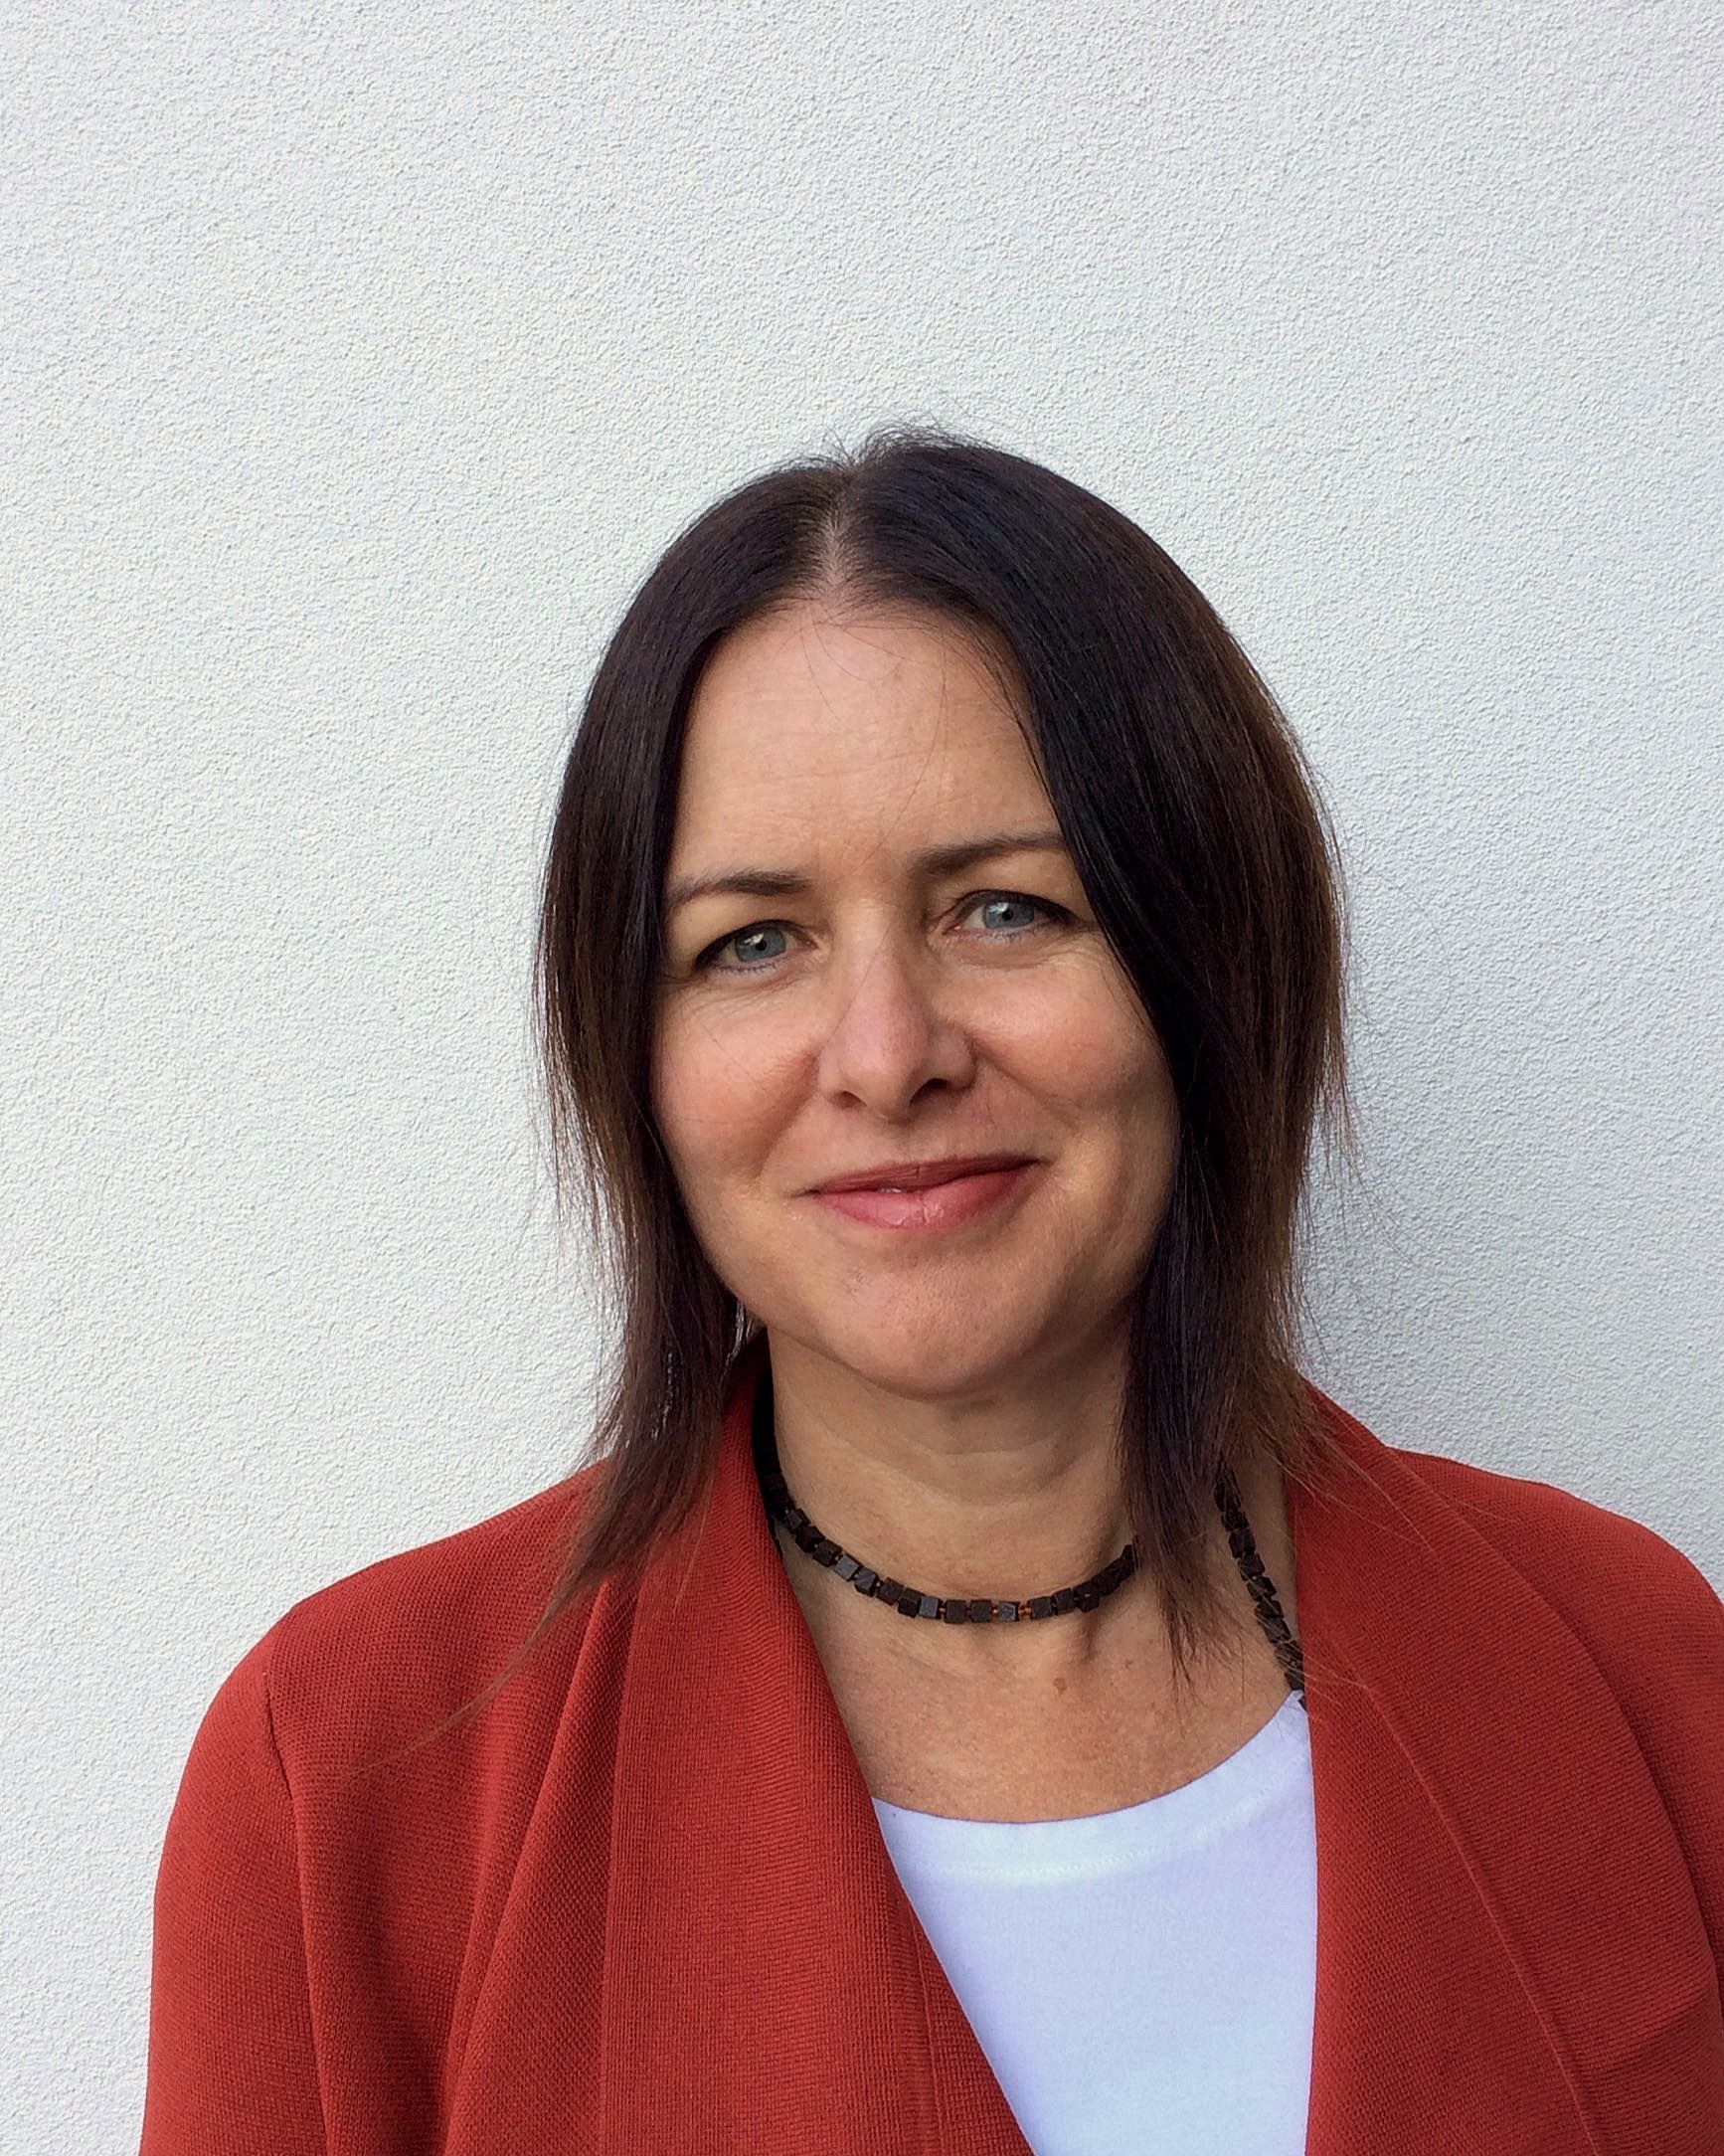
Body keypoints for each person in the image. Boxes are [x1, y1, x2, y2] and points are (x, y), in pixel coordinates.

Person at [139, 429, 1724, 2155]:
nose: (887, 1055)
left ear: (1212, 962)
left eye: (1005, 909)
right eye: (752, 942)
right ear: (635, 1056)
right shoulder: (351, 1774)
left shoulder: (1632, 1668)